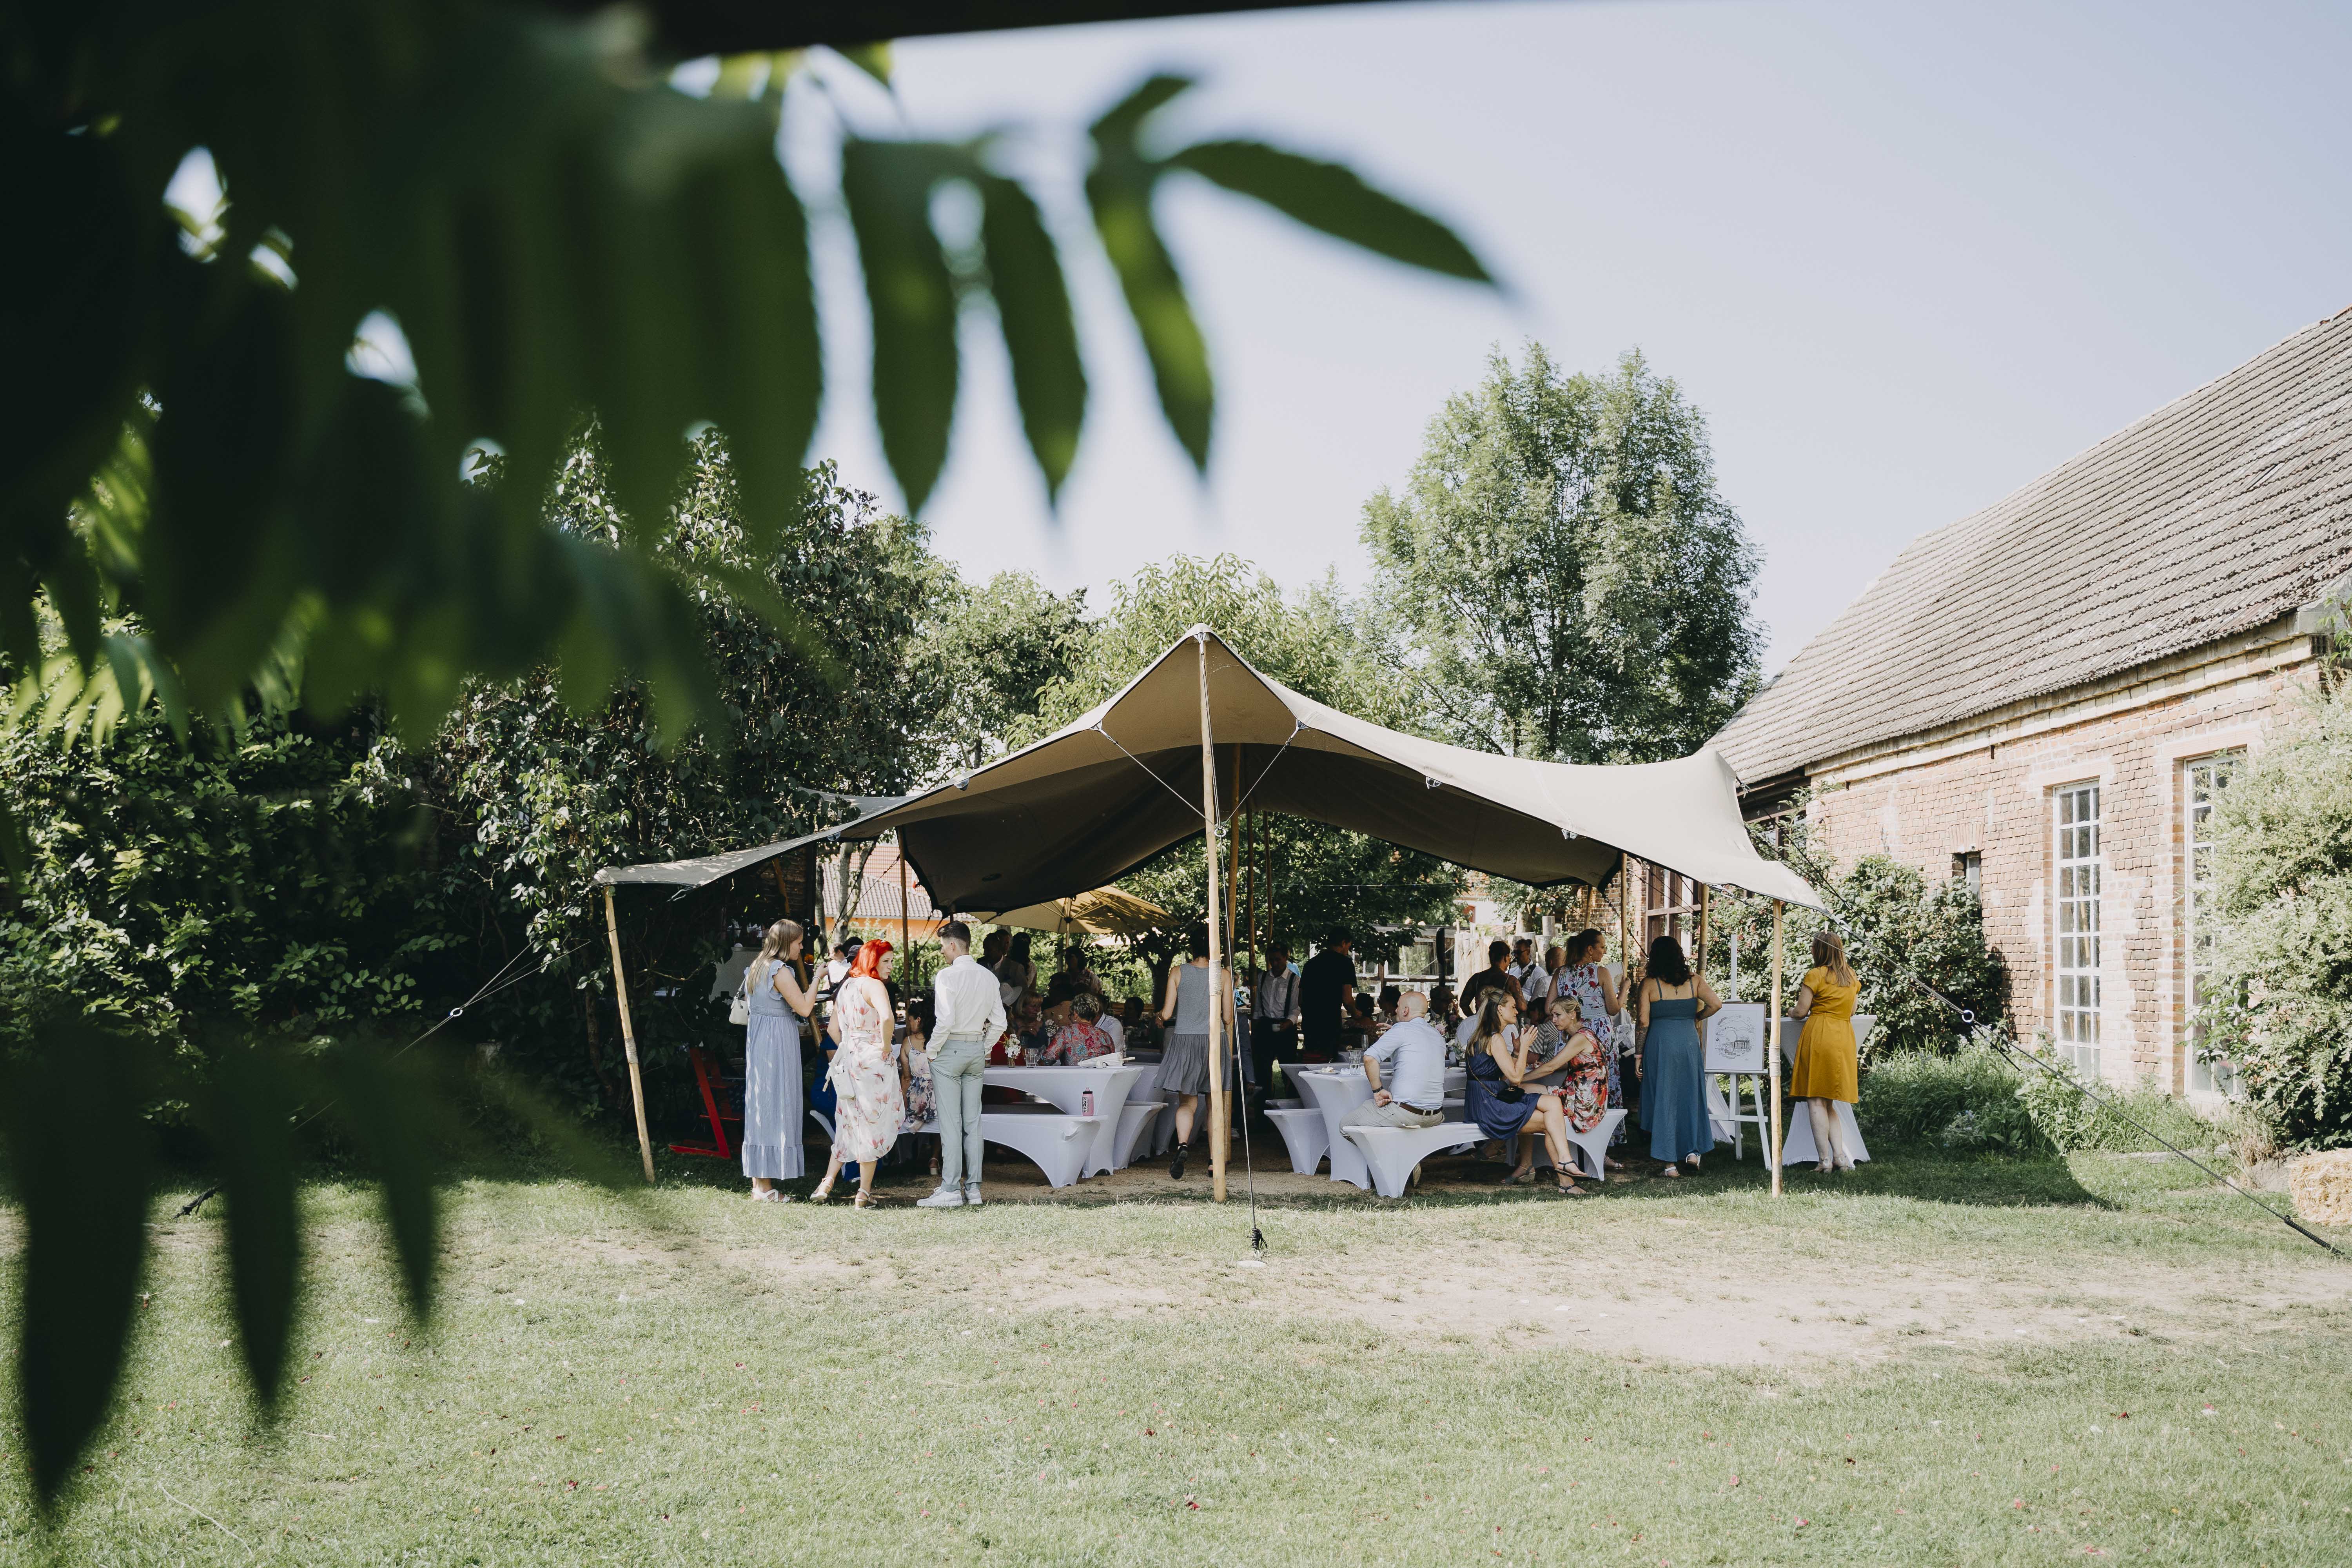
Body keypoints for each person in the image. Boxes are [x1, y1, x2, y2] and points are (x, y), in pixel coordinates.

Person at [918, 920, 1007, 1209]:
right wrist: (983, 1048)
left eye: (943, 946)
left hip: (950, 1048)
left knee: (951, 1124)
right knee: (973, 1123)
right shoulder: (988, 977)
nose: (943, 952)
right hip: (974, 1050)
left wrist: (931, 1051)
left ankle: (950, 1189)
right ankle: (975, 1189)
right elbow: (1000, 1023)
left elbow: (944, 1021)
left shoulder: (947, 976)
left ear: (954, 945)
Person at [1461, 993, 1584, 1195]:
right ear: (1500, 1010)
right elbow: (1516, 1079)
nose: (1517, 1011)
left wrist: (1518, 1051)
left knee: (1553, 1104)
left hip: (1489, 1099)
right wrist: (1527, 1046)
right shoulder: (1495, 1038)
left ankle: (1564, 1162)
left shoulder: (1485, 1036)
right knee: (1550, 1121)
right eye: (1512, 1006)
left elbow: (1504, 1073)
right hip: (1490, 1105)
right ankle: (1567, 1181)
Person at [811, 939, 903, 1208]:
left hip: (850, 1059)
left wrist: (851, 1046)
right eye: (886, 961)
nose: (890, 966)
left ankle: (827, 1182)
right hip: (873, 1061)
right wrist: (885, 1047)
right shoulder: (874, 986)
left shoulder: (847, 987)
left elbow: (832, 1031)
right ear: (872, 961)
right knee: (871, 1124)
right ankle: (863, 1192)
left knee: (849, 1122)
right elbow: (888, 1018)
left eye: (891, 961)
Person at [740, 919, 816, 1202]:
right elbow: (805, 1008)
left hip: (759, 1041)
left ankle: (760, 1183)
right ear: (786, 942)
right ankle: (765, 1187)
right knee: (777, 1103)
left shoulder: (755, 968)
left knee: (763, 1105)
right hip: (777, 1043)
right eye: (798, 942)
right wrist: (817, 977)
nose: (801, 946)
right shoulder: (779, 970)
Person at [1636, 934, 1721, 1177]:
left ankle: (1669, 1164)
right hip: (1688, 1043)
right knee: (1690, 1095)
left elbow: (1643, 1022)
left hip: (1660, 1044)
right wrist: (1696, 1017)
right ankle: (1693, 1152)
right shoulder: (1695, 980)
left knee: (1665, 1097)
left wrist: (1639, 1055)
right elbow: (1716, 1004)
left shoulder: (1650, 984)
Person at [1341, 991, 1448, 1173]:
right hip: (1436, 1115)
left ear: (1406, 1010)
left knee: (1346, 1126)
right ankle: (1407, 1157)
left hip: (1407, 1113)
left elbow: (1370, 1058)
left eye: (1399, 1006)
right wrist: (1395, 1032)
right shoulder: (1436, 1035)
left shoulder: (1402, 1030)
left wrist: (1378, 1090)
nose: (1396, 1010)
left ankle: (1400, 1161)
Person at [1157, 928, 1232, 1180]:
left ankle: (1182, 1145)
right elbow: (1229, 1017)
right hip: (1213, 1040)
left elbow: (1167, 1014)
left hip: (1184, 1041)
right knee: (1214, 1106)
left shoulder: (1178, 972)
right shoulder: (1223, 975)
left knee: (1187, 1103)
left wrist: (1158, 1018)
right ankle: (1213, 1162)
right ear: (1214, 948)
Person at [1790, 929, 1862, 1173]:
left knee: (1816, 1101)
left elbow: (1801, 1011)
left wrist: (1791, 1011)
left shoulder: (1816, 975)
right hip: (1843, 1038)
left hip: (1820, 1035)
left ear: (1818, 950)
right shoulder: (1851, 977)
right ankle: (1839, 1157)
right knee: (1829, 1103)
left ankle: (1824, 1161)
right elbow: (1852, 1012)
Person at [1557, 928, 1628, 1165]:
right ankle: (1604, 1140)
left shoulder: (1560, 973)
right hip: (1599, 1034)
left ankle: (1570, 1132)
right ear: (1590, 949)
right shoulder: (1601, 972)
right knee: (1602, 1083)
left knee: (1574, 1082)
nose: (1604, 951)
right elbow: (1613, 1008)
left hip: (1569, 1031)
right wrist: (1625, 989)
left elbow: (1550, 1005)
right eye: (1602, 947)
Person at [1250, 942, 1302, 1102]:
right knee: (1262, 1072)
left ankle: (1291, 1105)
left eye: (1278, 960)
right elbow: (1258, 1006)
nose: (1275, 964)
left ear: (1286, 958)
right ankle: (1263, 1110)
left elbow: (1296, 1008)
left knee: (1288, 1072)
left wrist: (1288, 1023)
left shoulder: (1294, 980)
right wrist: (1256, 1026)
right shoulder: (1263, 977)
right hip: (1266, 1027)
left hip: (1286, 1029)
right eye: (1272, 960)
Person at [1299, 931, 1357, 1062]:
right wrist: (1357, 1014)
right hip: (1330, 1022)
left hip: (1310, 1022)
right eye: (1349, 946)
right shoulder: (1345, 964)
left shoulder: (1311, 964)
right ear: (1343, 943)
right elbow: (1347, 999)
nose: (1348, 951)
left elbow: (1301, 999)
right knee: (1329, 1061)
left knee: (1312, 1059)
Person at [900, 995, 939, 1180]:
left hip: (917, 1100)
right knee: (943, 1113)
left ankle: (905, 1157)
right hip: (941, 1095)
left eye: (910, 1020)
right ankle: (935, 1158)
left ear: (919, 1020)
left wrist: (904, 1102)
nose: (909, 1024)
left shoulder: (908, 1043)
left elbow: (906, 1077)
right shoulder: (941, 1041)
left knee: (906, 1110)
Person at [1046, 990, 1117, 1064]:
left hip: (1071, 1075)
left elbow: (1048, 1058)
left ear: (1076, 1014)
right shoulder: (1106, 1036)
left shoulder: (1066, 1032)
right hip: (1098, 1076)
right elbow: (1112, 1062)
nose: (1070, 1018)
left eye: (1071, 1015)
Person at [1458, 939, 1523, 1019]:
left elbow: (1463, 1004)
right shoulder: (1511, 981)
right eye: (1509, 956)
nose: (1510, 960)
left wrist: (1476, 1019)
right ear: (1505, 958)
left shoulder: (1477, 978)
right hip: (1505, 1025)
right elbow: (1522, 1007)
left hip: (1482, 1023)